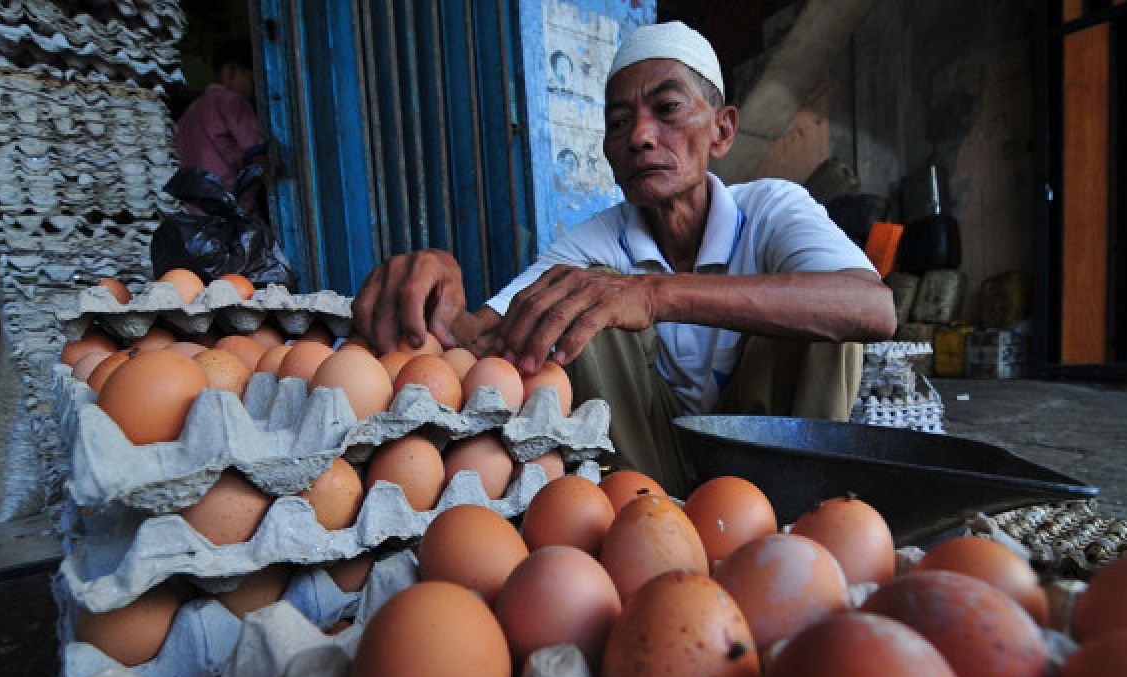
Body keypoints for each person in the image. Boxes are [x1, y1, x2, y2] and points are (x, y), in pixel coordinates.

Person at [352, 21, 897, 495]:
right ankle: (649, 523)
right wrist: (440, 282)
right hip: (650, 479)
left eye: (667, 109)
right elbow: (481, 335)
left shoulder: (773, 208)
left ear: (723, 130)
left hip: (775, 462)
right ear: (610, 153)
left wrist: (654, 295)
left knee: (823, 307)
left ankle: (804, 511)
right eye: (618, 122)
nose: (639, 136)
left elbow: (873, 309)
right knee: (577, 296)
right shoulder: (596, 244)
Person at [175, 39, 266, 216]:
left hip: (194, 216)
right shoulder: (233, 101)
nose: (253, 90)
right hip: (232, 212)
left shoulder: (190, 112)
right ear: (231, 70)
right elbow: (259, 160)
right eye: (250, 80)